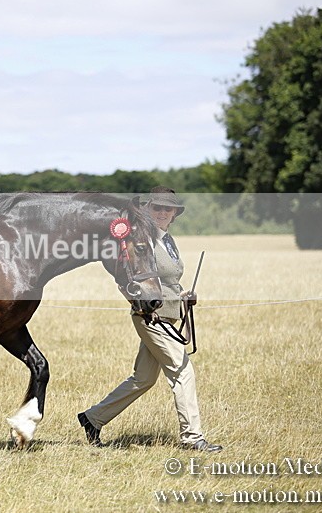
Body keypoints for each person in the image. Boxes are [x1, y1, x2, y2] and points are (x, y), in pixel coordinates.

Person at [77, 186, 222, 452]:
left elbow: (168, 279)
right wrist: (139, 305)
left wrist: (184, 296)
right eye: (157, 207)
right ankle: (193, 437)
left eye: (168, 208)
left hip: (170, 314)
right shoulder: (140, 239)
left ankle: (92, 418)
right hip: (151, 317)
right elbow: (127, 277)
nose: (163, 212)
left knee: (142, 379)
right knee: (182, 370)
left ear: (175, 213)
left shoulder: (168, 240)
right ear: (147, 209)